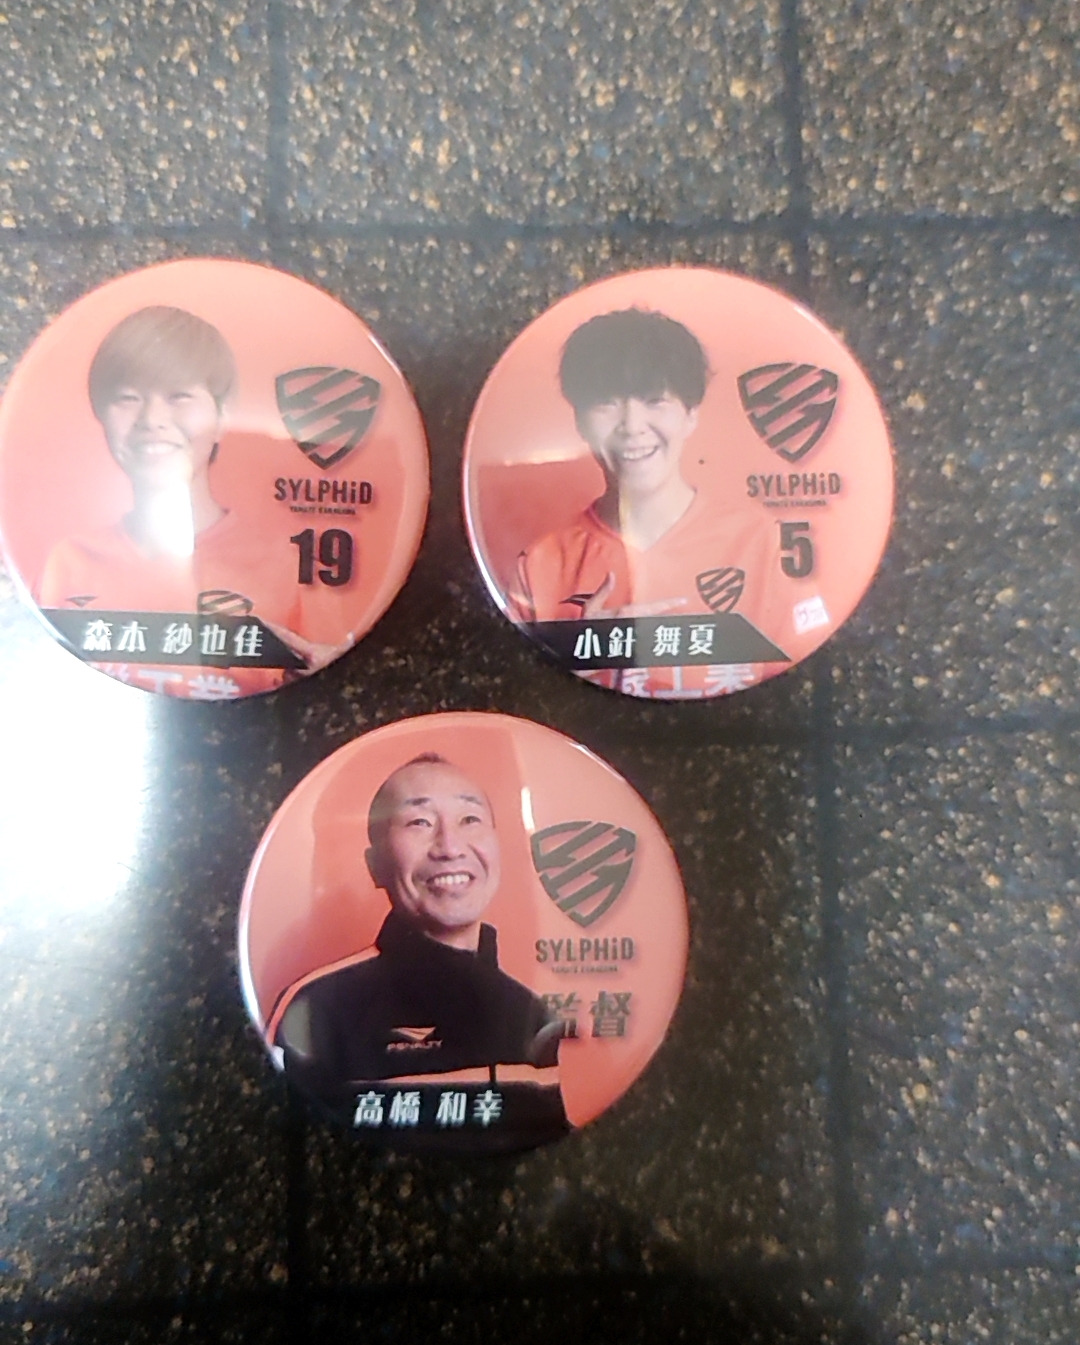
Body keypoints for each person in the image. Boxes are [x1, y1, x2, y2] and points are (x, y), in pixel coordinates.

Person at [269, 755, 568, 1146]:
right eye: (419, 822)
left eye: (470, 819)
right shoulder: (317, 1007)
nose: (450, 847)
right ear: (375, 865)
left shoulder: (532, 1013)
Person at [38, 305, 342, 676]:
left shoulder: (285, 566)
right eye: (128, 398)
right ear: (101, 414)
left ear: (223, 415)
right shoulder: (68, 564)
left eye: (179, 396)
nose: (152, 420)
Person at [510, 307, 790, 697]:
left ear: (691, 415)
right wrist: (584, 654)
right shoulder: (540, 565)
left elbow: (793, 691)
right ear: (578, 421)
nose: (632, 426)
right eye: (607, 403)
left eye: (655, 400)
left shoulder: (762, 543)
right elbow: (522, 703)